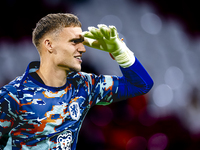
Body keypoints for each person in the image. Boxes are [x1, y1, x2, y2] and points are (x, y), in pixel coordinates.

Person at [0, 13, 153, 150]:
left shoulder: (85, 85)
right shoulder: (12, 96)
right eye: (73, 42)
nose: (82, 49)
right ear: (49, 45)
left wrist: (120, 52)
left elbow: (141, 85)